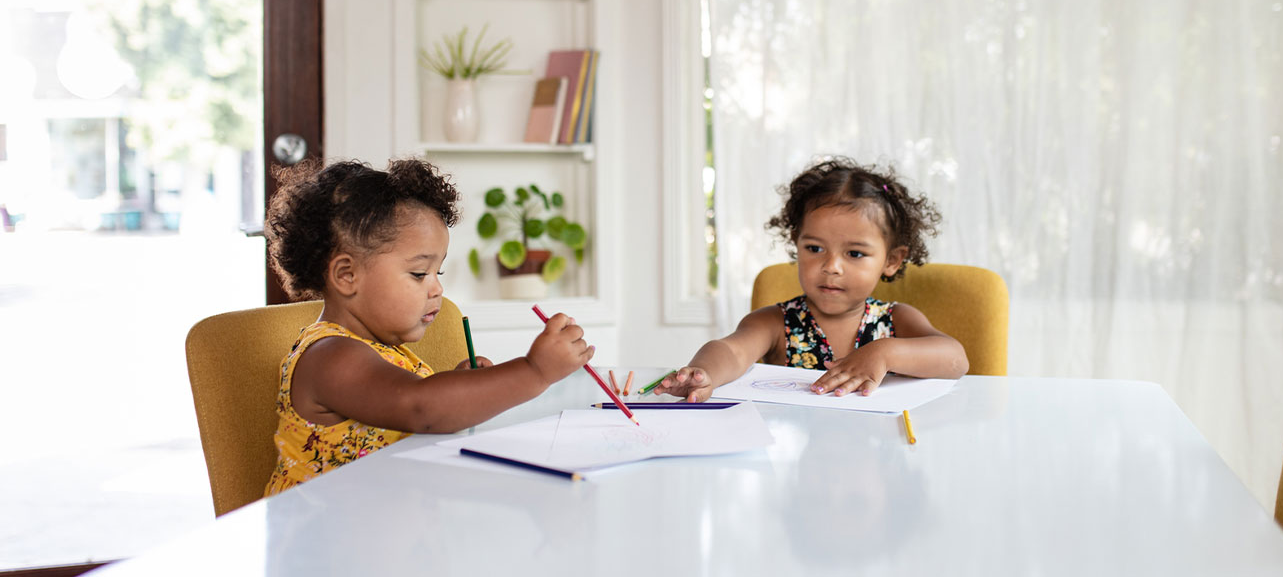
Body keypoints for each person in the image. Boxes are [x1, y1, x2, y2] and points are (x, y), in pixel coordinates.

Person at [262, 157, 594, 495]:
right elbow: (421, 408)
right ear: (347, 275)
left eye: (439, 273)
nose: (437, 289)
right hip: (320, 535)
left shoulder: (378, 351)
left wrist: (462, 387)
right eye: (419, 274)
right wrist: (534, 371)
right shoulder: (330, 357)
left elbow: (421, 405)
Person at [656, 157, 967, 402]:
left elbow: (956, 360)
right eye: (815, 248)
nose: (831, 266)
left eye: (855, 254)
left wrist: (884, 352)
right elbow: (732, 351)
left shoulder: (897, 320)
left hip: (876, 451)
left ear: (892, 260)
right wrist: (704, 373)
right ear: (797, 244)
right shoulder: (775, 323)